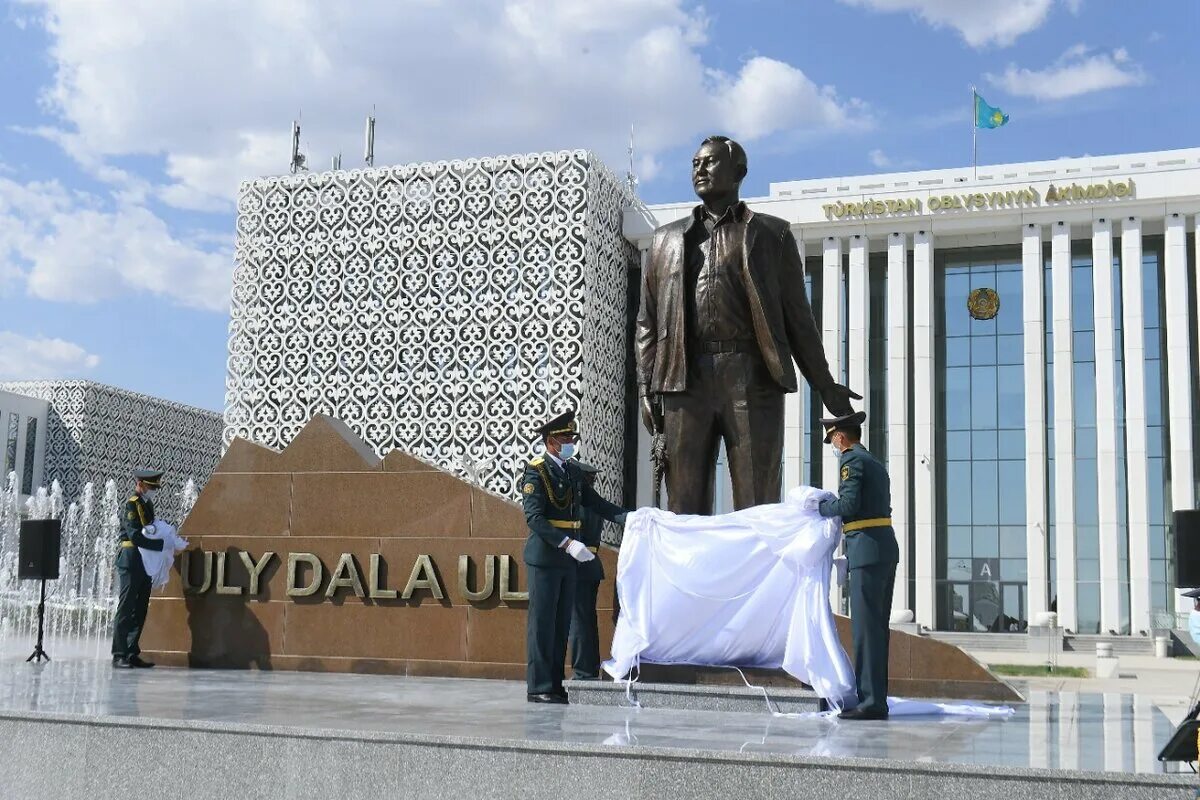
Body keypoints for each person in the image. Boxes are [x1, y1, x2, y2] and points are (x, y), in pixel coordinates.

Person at [635, 134, 859, 515]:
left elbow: (798, 320)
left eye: (709, 162)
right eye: (695, 163)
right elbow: (648, 323)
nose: (699, 169)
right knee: (684, 502)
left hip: (751, 377)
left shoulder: (773, 234)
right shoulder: (666, 240)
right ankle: (692, 575)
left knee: (757, 499)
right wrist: (646, 387)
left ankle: (755, 576)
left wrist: (824, 384)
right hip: (683, 381)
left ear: (738, 171)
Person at [521, 411, 627, 703]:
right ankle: (539, 687)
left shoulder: (571, 472)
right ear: (551, 441)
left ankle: (555, 685)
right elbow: (534, 518)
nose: (570, 442)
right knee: (543, 626)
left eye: (571, 438)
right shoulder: (537, 471)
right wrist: (567, 543)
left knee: (561, 624)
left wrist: (633, 519)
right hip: (546, 558)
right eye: (566, 438)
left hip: (569, 560)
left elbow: (599, 505)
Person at [807, 411, 898, 720]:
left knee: (865, 631)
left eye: (832, 438)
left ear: (841, 437)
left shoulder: (852, 461)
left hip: (867, 550)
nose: (833, 444)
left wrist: (817, 507)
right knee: (875, 630)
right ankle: (874, 699)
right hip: (880, 547)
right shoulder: (872, 461)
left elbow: (848, 505)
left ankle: (871, 703)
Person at [112, 469, 167, 668]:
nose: (153, 491)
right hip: (131, 558)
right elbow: (134, 535)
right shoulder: (132, 504)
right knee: (126, 608)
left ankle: (132, 652)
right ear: (140, 484)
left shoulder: (147, 504)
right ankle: (119, 653)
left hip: (145, 562)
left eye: (154, 488)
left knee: (140, 608)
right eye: (150, 487)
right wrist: (161, 545)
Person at [568, 460, 604, 680]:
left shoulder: (577, 504)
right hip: (591, 565)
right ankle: (589, 668)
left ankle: (583, 671)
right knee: (587, 621)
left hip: (578, 566)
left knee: (579, 622)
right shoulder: (594, 503)